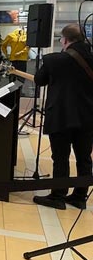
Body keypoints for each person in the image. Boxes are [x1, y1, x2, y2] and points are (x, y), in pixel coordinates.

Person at [31, 24, 93, 210]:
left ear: (65, 40)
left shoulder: (55, 60)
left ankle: (58, 195)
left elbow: (39, 80)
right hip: (88, 117)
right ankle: (80, 197)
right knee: (84, 158)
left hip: (61, 116)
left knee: (61, 157)